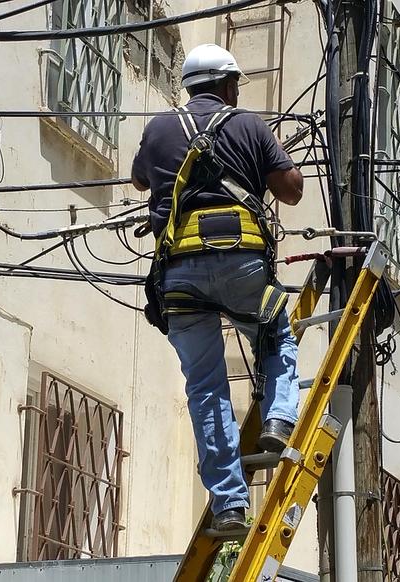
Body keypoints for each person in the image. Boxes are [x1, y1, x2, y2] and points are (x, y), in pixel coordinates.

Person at [131, 44, 305, 531]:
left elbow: (140, 181)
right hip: (241, 263)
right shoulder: (248, 125)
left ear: (189, 86)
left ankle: (229, 504)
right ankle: (279, 419)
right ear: (228, 85)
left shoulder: (159, 128)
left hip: (179, 275)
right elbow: (291, 191)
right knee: (275, 334)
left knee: (205, 388)